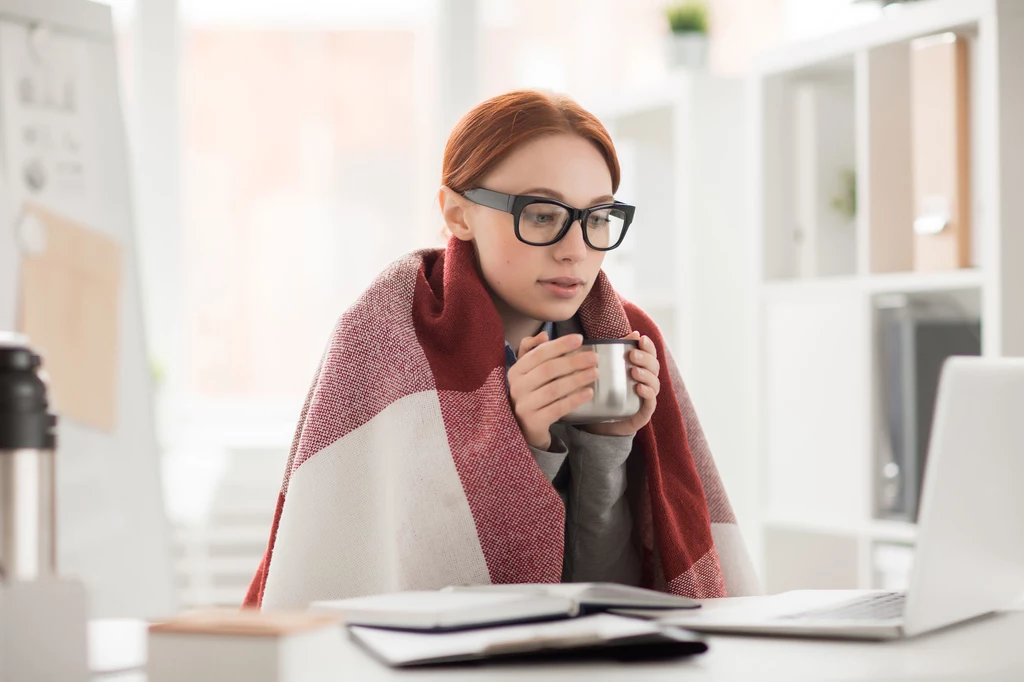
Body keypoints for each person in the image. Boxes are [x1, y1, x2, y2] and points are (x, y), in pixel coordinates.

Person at [244, 89, 758, 610]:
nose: (575, 249)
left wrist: (607, 443)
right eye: (540, 214)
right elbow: (418, 592)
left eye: (598, 218)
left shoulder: (627, 337)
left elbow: (612, 593)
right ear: (457, 213)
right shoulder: (384, 339)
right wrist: (521, 446)